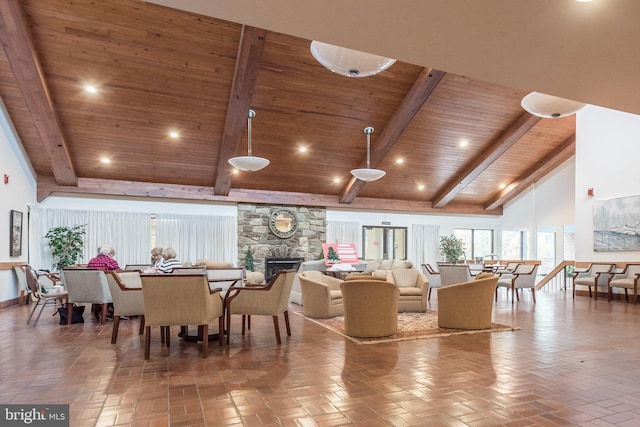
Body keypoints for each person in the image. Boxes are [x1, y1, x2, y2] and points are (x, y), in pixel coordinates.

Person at [87, 244, 120, 319]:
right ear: (110, 253)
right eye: (112, 254)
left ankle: (105, 310)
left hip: (92, 289)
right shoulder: (110, 261)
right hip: (107, 290)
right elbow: (119, 274)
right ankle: (117, 310)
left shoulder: (91, 261)